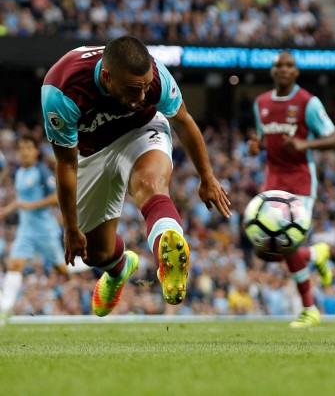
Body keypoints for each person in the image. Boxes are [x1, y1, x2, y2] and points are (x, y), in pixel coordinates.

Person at [41, 35, 231, 317]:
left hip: (142, 132)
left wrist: (207, 177)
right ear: (107, 77)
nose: (141, 97)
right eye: (133, 90)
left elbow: (183, 120)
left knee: (150, 184)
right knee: (96, 254)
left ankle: (170, 253)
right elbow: (66, 164)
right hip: (92, 152)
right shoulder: (63, 91)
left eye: (144, 88)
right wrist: (70, 228)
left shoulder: (155, 77)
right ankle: (119, 268)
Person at [247, 50, 335, 328]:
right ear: (273, 71)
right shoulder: (261, 103)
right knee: (264, 249)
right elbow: (265, 140)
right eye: (279, 66)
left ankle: (310, 309)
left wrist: (305, 145)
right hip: (272, 181)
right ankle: (316, 254)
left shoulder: (307, 102)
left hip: (300, 181)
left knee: (286, 244)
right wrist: (257, 146)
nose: (284, 70)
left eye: (290, 66)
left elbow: (334, 138)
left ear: (296, 72)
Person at [0, 135, 69, 324]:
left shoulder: (41, 172)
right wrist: (8, 208)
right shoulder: (19, 173)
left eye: (28, 148)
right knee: (15, 265)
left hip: (45, 230)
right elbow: (22, 199)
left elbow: (56, 197)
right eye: (21, 148)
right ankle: (5, 311)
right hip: (26, 231)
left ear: (36, 151)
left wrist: (32, 205)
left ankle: (93, 263)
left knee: (63, 270)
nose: (24, 152)